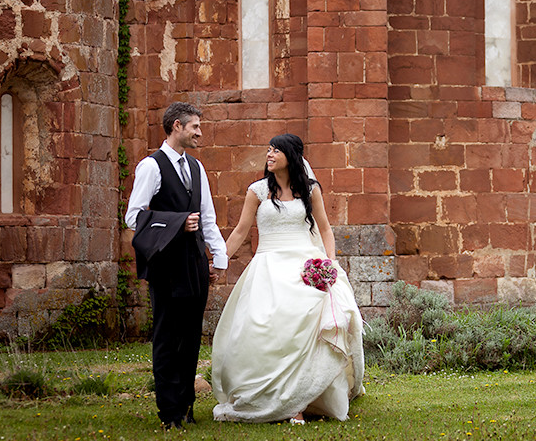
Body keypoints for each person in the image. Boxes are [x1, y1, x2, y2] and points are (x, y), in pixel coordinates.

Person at [212, 134, 364, 424]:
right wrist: (219, 261)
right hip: (267, 269)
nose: (269, 155)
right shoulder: (257, 191)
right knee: (265, 329)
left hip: (304, 267)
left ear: (291, 156)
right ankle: (268, 396)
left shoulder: (310, 190)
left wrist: (329, 263)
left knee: (302, 330)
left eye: (276, 150)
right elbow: (241, 230)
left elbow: (325, 229)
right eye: (268, 150)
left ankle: (300, 402)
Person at [124, 102, 228, 429]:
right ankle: (169, 412)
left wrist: (218, 257)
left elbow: (207, 218)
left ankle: (186, 407)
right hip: (166, 265)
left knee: (191, 336)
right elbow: (133, 216)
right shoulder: (151, 166)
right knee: (168, 337)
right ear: (177, 126)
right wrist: (178, 222)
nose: (200, 132)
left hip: (194, 262)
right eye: (195, 126)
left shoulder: (197, 167)